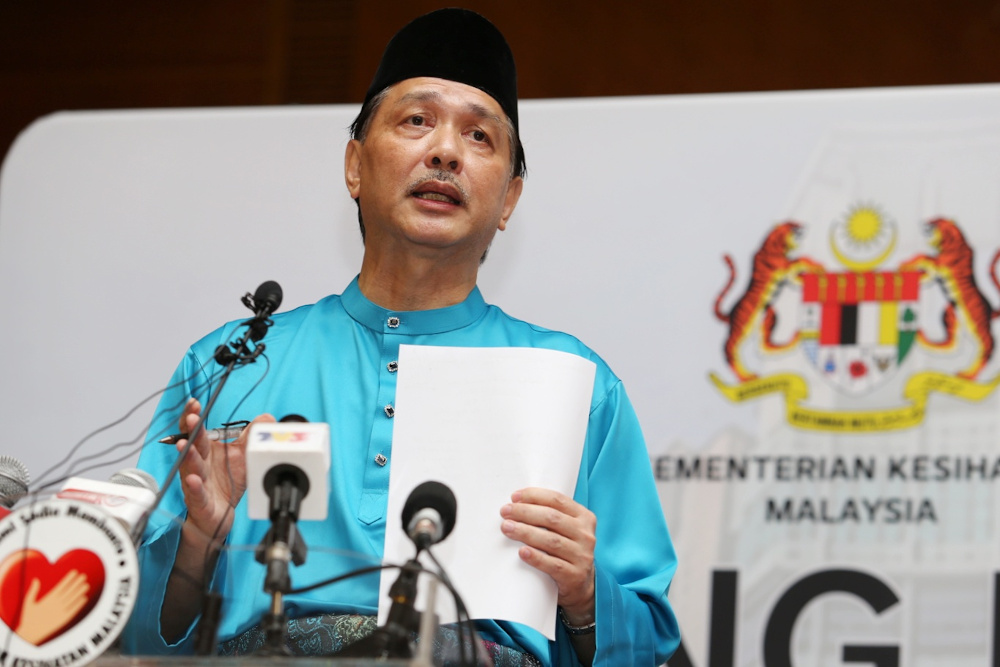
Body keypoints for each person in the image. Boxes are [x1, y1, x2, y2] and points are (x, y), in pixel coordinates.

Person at [122, 8, 679, 666]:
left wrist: (586, 594)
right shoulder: (234, 364)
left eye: (480, 136)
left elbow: (648, 647)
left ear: (509, 200)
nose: (444, 151)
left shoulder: (574, 384)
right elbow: (135, 636)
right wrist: (197, 539)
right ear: (355, 165)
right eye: (417, 120)